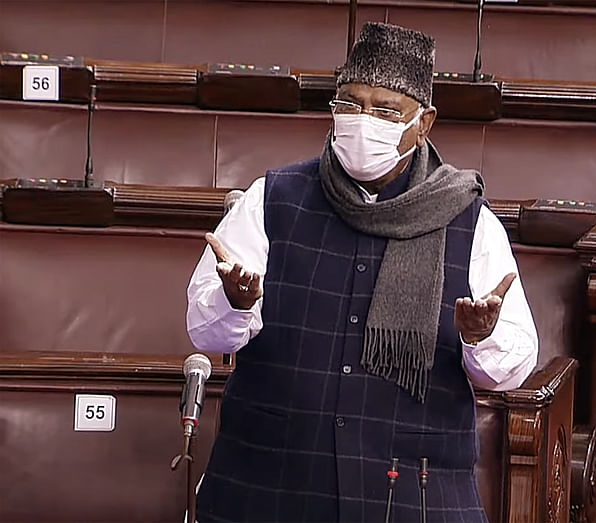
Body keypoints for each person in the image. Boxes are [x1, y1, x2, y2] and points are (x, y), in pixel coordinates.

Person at [186, 22, 538, 523]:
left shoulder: (470, 222)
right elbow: (204, 329)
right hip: (270, 487)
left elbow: (510, 370)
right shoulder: (272, 198)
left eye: (385, 110)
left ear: (425, 123)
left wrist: (481, 337)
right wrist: (235, 303)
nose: (362, 120)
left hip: (413, 496)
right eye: (349, 104)